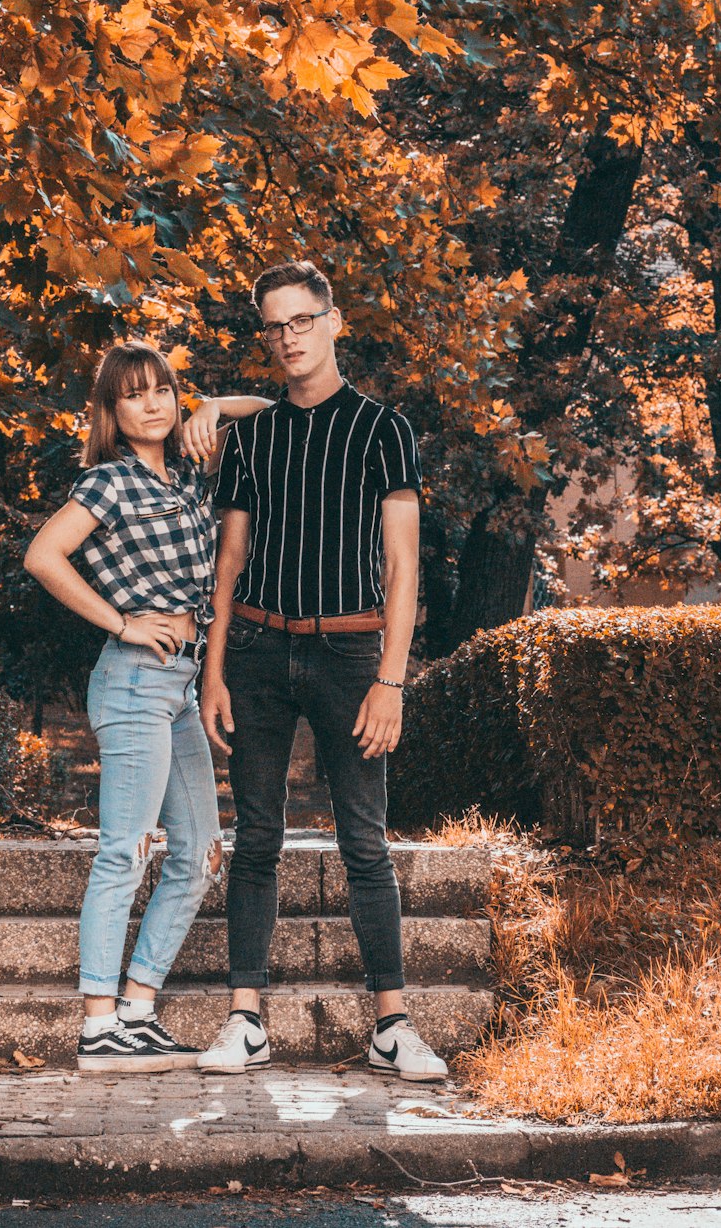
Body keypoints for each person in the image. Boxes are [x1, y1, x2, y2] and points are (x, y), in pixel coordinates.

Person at [194, 260, 448, 1082]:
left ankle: (392, 1025)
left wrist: (392, 679)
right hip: (261, 652)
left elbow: (402, 568)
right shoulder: (254, 439)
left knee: (365, 842)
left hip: (351, 655)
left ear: (333, 322)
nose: (289, 337)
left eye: (302, 320)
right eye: (274, 326)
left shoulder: (385, 431)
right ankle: (244, 1020)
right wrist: (214, 670)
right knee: (256, 838)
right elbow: (228, 564)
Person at [24, 341, 268, 1073]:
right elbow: (43, 556)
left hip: (180, 686)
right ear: (112, 410)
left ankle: (137, 1007)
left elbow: (276, 411)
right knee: (125, 850)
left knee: (197, 856)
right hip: (134, 678)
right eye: (134, 394)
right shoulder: (108, 484)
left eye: (164, 389)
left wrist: (215, 406)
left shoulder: (191, 470)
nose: (154, 403)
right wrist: (124, 622)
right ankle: (99, 1024)